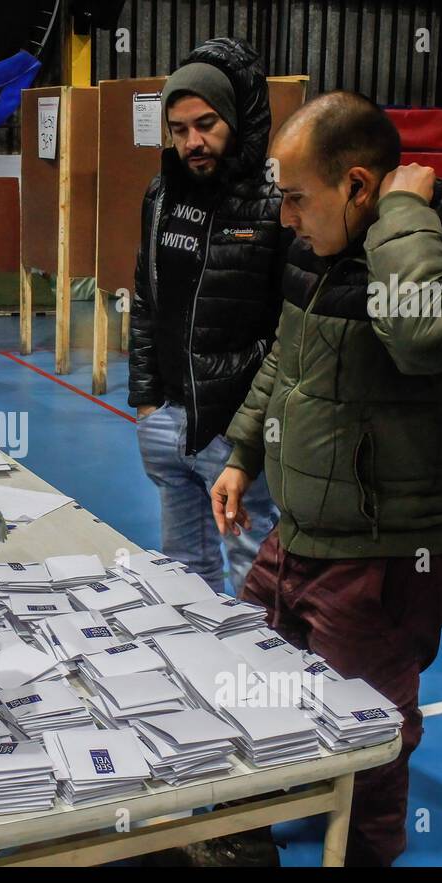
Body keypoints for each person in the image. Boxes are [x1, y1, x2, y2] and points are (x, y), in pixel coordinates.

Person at [210, 91, 442, 866]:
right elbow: (286, 362)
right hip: (300, 536)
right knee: (254, 679)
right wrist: (244, 451)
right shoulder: (319, 256)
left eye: (296, 199)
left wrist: (403, 218)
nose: (285, 220)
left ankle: (365, 853)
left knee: (369, 731)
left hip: (388, 557)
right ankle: (241, 828)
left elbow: (421, 332)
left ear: (357, 186)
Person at [127, 38, 286, 596]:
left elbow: (286, 328)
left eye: (206, 124)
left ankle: (261, 677)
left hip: (232, 431)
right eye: (179, 129)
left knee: (252, 567)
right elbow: (146, 300)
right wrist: (147, 403)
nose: (193, 141)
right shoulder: (161, 195)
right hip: (166, 419)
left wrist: (248, 436)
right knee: (182, 574)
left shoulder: (274, 202)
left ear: (235, 119)